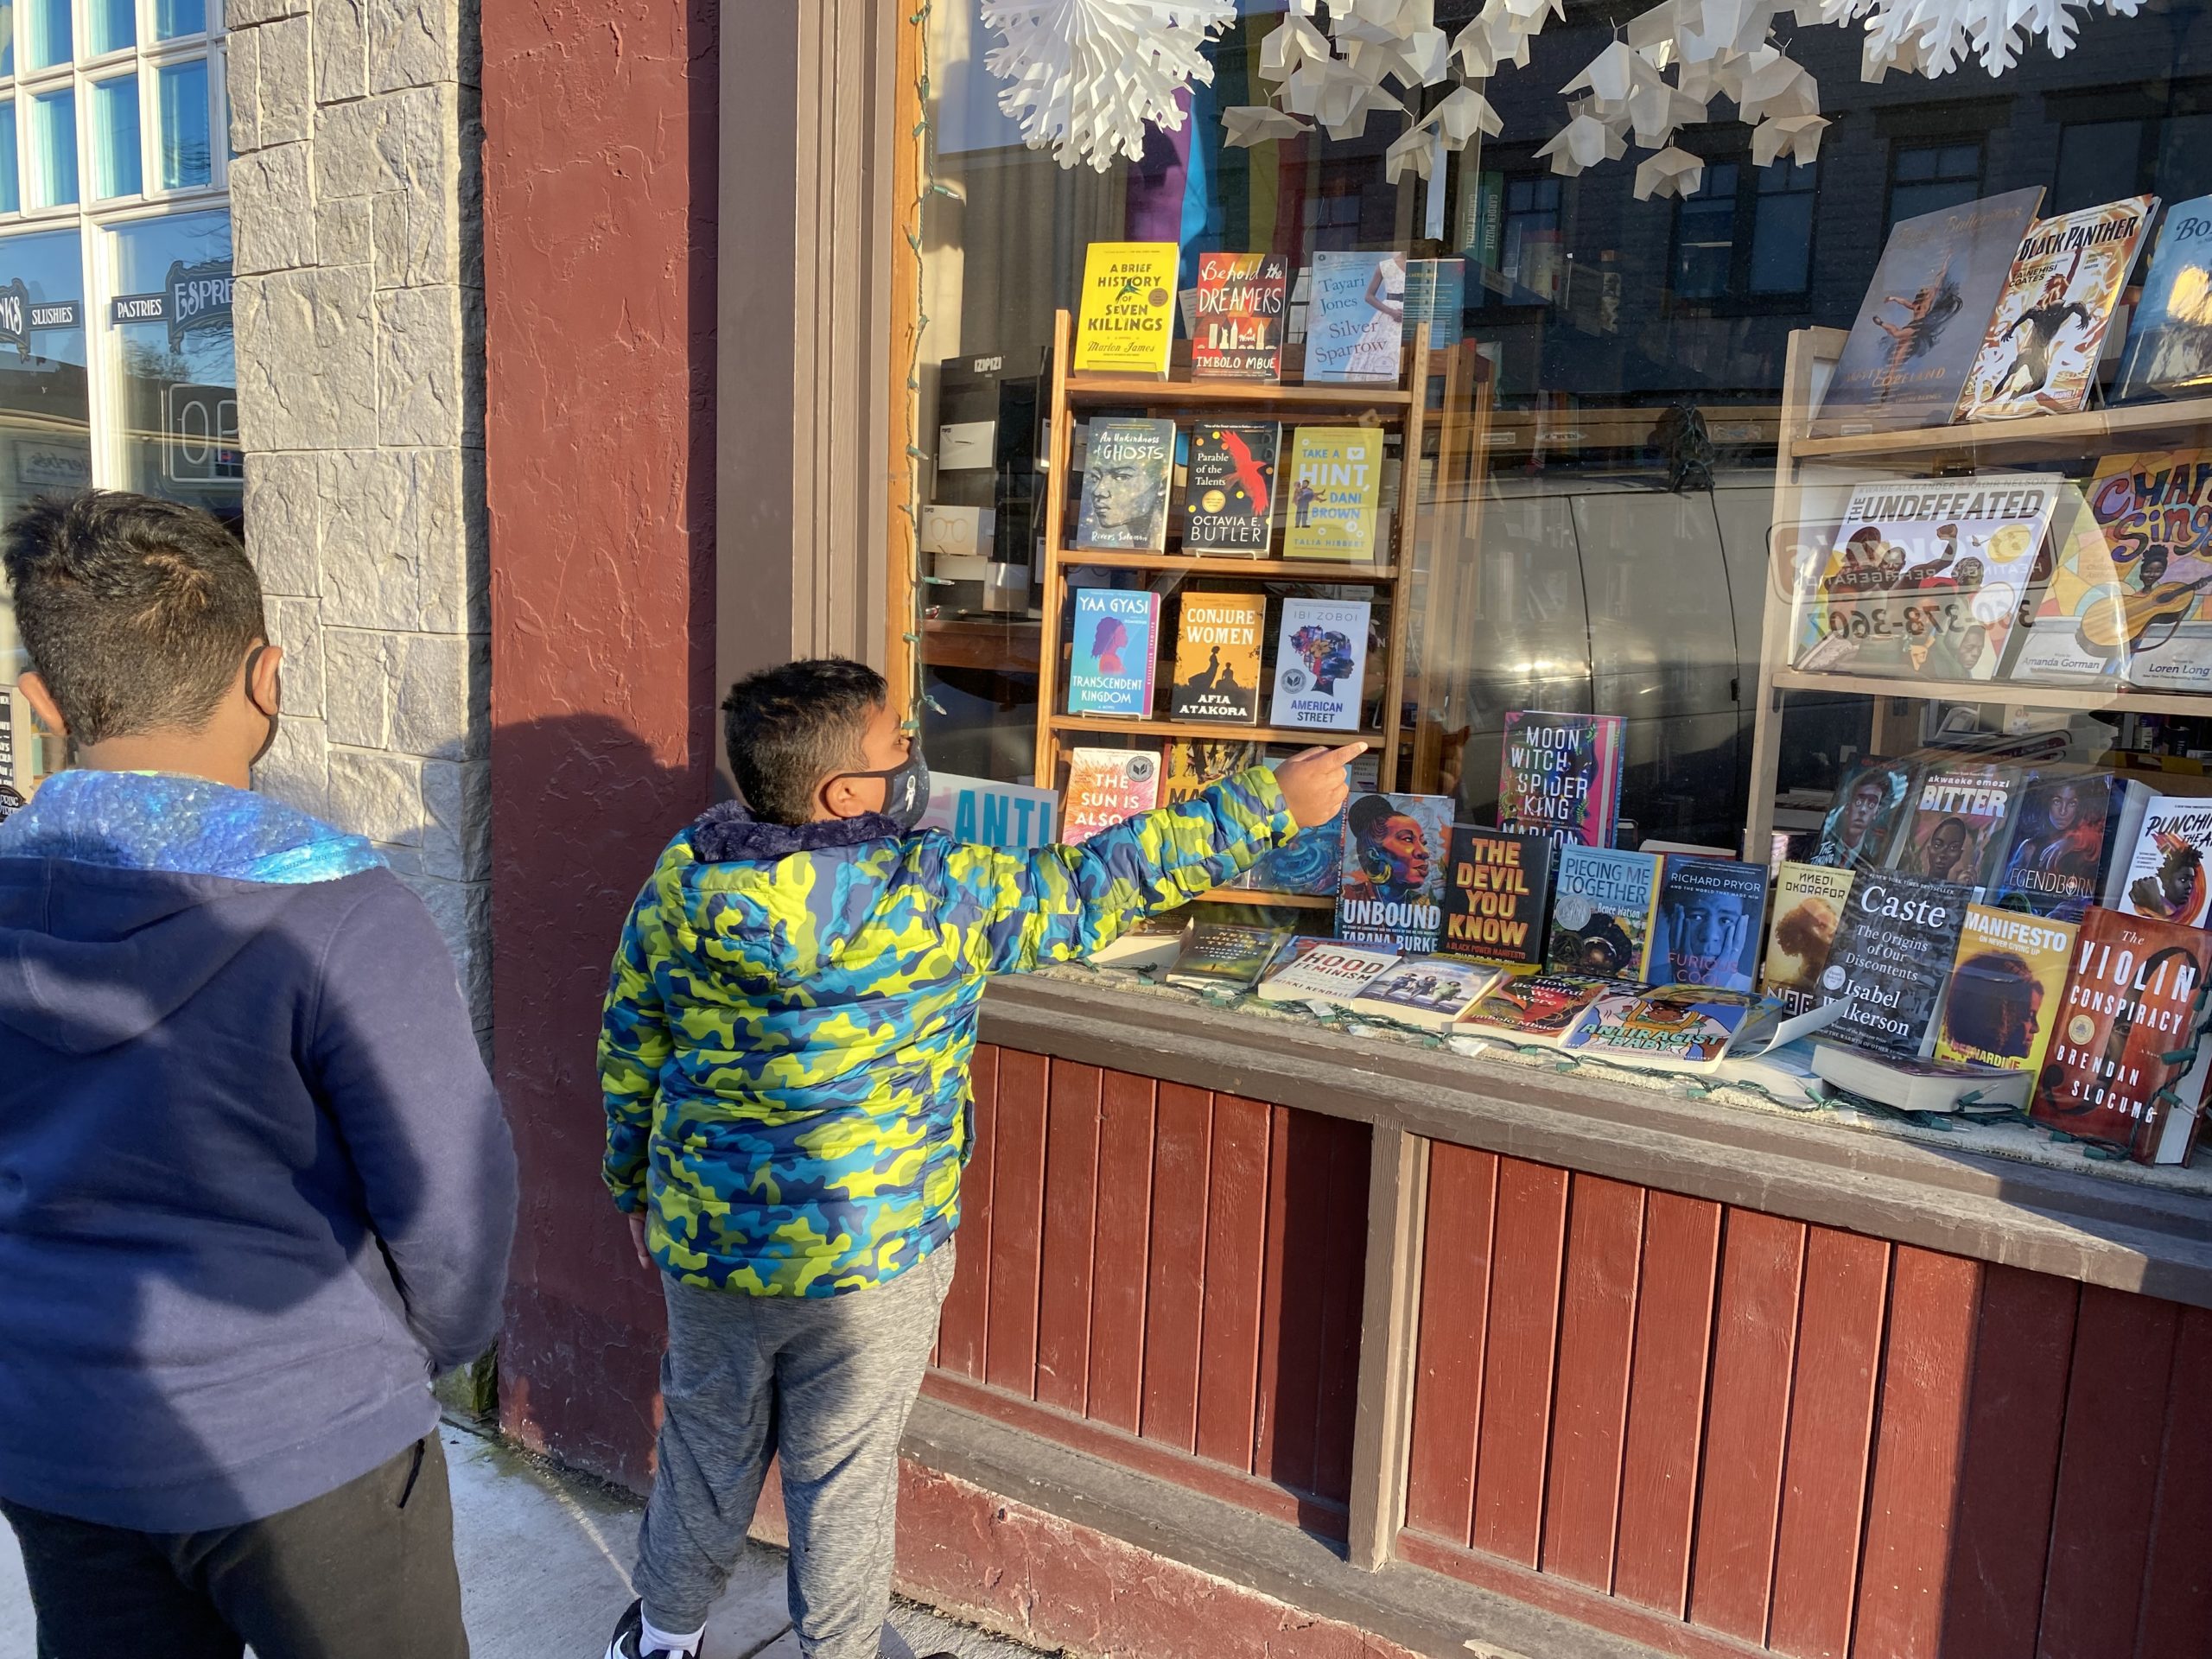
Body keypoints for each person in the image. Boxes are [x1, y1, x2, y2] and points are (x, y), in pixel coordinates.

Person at [597, 658, 1358, 1659]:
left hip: (709, 1244)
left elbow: (630, 1039)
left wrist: (634, 1188)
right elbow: (1099, 883)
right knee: (844, 1475)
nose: (913, 753)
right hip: (871, 1256)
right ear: (842, 793)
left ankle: (659, 1640)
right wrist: (1270, 800)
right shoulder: (936, 890)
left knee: (703, 1449)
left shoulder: (685, 874)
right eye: (894, 744)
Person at [0, 490, 516, 1658]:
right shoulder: (340, 915)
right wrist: (405, 1357)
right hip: (306, 1439)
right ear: (268, 676)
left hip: (54, 1431)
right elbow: (454, 1212)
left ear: (42, 701)